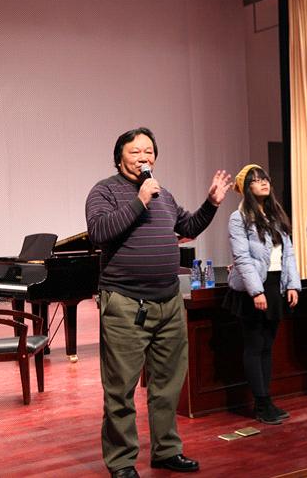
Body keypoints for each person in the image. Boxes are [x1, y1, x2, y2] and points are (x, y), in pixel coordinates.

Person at [86, 127, 232, 478]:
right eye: (135, 151)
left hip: (168, 302)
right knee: (120, 389)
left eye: (148, 151)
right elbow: (99, 233)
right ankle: (122, 462)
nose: (143, 157)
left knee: (168, 384)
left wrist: (211, 203)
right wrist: (139, 200)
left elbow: (189, 228)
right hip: (125, 304)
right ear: (119, 157)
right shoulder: (104, 191)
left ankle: (166, 451)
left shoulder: (163, 195)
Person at [223, 164, 301, 425]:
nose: (263, 182)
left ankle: (267, 400)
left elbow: (288, 254)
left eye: (265, 178)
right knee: (255, 346)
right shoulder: (239, 217)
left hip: (277, 285)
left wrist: (293, 284)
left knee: (268, 347)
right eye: (256, 180)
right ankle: (261, 404)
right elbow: (242, 257)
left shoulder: (276, 215)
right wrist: (256, 291)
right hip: (253, 286)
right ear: (247, 188)